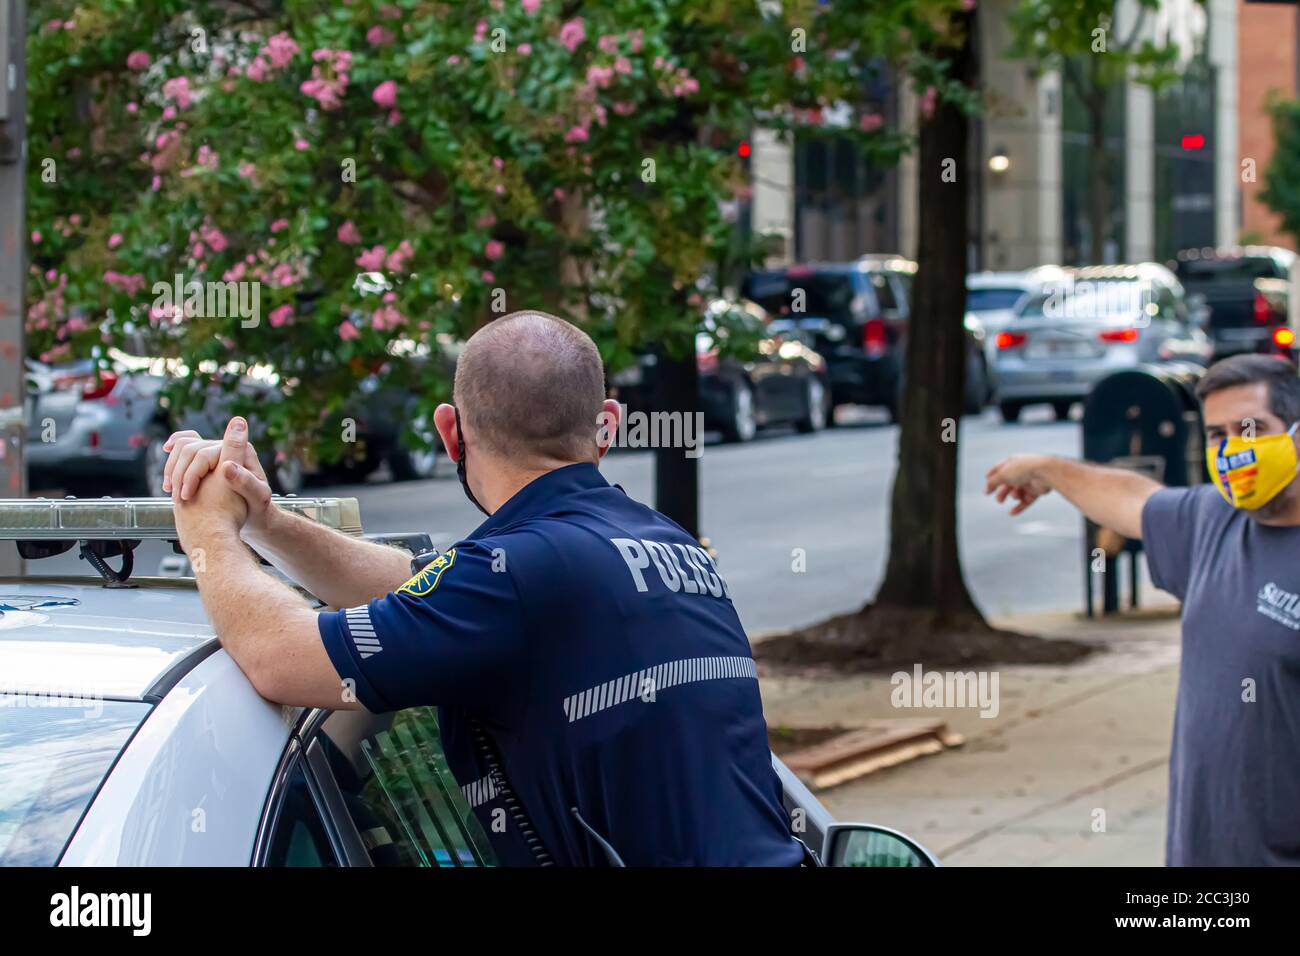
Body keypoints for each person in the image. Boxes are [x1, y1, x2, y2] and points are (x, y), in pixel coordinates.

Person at [166, 309, 806, 867]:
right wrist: (267, 521)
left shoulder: (517, 580)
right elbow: (424, 590)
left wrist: (206, 526)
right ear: (606, 422)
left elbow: (276, 656)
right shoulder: (666, 546)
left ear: (451, 431)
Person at [985, 353, 1300, 866]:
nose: (1234, 449)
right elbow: (1135, 499)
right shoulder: (1212, 521)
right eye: (1218, 434)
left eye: (1250, 429)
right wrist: (1048, 470)